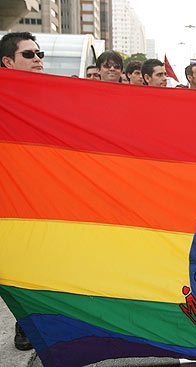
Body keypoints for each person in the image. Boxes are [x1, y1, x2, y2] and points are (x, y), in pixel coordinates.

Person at [0, 31, 43, 352]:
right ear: (8, 62)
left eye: (39, 53)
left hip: (38, 197)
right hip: (8, 195)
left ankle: (27, 325)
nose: (38, 58)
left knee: (32, 262)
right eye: (28, 55)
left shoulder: (52, 95)